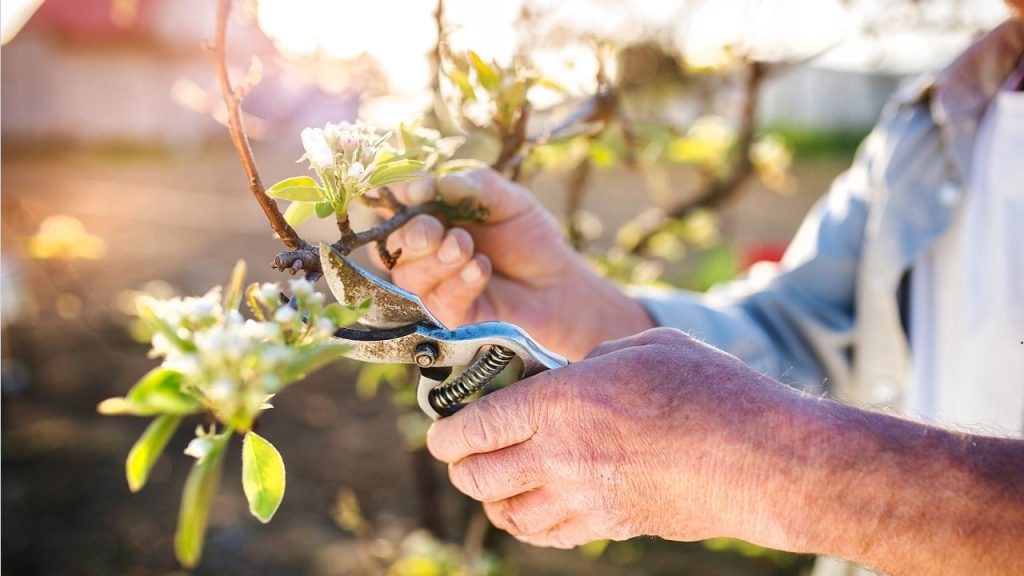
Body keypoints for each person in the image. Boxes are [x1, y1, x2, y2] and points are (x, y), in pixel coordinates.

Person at [375, 9, 1024, 576]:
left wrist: (779, 466)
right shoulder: (938, 116)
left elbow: (782, 440)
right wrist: (573, 305)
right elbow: (805, 332)